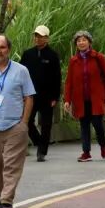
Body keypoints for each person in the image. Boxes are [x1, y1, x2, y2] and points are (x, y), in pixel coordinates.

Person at [0, 35, 36, 208]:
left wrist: (24, 123)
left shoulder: (21, 71)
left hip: (14, 125)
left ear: (8, 50)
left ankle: (6, 200)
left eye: (2, 47)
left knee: (12, 164)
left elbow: (29, 97)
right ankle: (2, 193)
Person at [63, 30, 105, 162]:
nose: (81, 43)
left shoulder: (98, 57)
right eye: (79, 41)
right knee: (84, 126)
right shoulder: (73, 61)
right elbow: (69, 82)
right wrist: (67, 100)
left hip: (96, 99)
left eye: (84, 40)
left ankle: (103, 146)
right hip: (80, 100)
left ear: (89, 42)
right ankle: (86, 153)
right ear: (76, 44)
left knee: (98, 125)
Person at [19, 25, 61, 162]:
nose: (37, 38)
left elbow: (57, 77)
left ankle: (42, 152)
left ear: (47, 38)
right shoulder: (27, 54)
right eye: (36, 36)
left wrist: (55, 97)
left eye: (41, 36)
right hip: (30, 95)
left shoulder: (53, 55)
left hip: (47, 96)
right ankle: (39, 142)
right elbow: (20, 74)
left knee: (46, 124)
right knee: (27, 121)